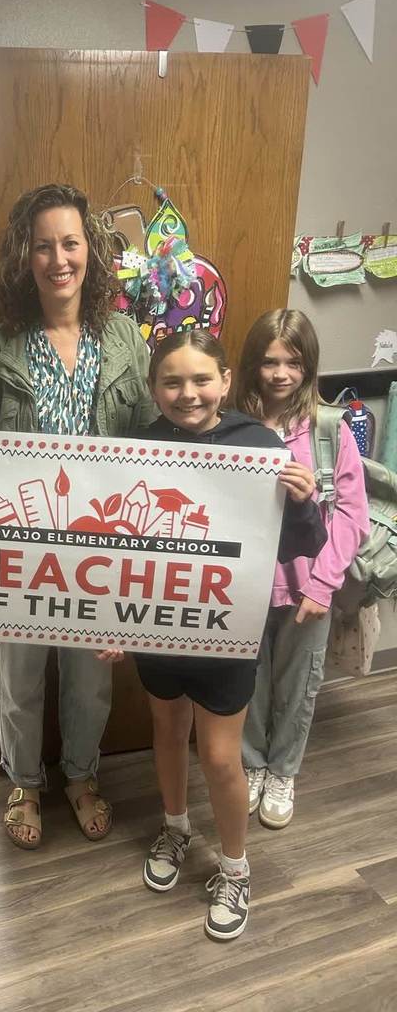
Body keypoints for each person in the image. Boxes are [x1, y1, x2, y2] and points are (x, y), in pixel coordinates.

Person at [0, 183, 156, 849]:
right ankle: (25, 779)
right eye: (45, 245)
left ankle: (81, 776)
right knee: (21, 674)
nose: (59, 258)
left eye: (71, 243)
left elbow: (148, 443)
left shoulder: (124, 340)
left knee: (90, 678)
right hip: (20, 544)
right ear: (26, 256)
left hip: (102, 543)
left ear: (92, 252)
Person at [113, 328, 326, 941]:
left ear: (227, 381)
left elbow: (299, 545)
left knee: (220, 755)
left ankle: (235, 867)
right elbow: (121, 547)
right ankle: (176, 827)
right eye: (171, 381)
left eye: (201, 379)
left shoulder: (258, 444)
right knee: (166, 730)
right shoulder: (140, 447)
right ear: (153, 388)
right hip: (158, 627)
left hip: (226, 629)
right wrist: (109, 620)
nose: (188, 393)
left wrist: (305, 503)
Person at [235, 309, 369, 828]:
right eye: (269, 362)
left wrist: (323, 583)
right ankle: (250, 764)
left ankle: (283, 769)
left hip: (306, 590)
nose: (280, 374)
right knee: (248, 681)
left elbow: (352, 516)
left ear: (308, 365)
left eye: (293, 362)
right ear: (253, 365)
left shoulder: (328, 430)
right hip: (245, 588)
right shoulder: (233, 425)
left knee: (299, 685)